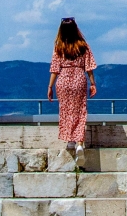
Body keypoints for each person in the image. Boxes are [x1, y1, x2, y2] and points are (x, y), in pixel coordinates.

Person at [47, 17, 97, 158]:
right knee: (80, 111)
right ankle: (79, 142)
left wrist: (50, 86)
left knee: (66, 110)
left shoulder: (59, 47)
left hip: (63, 80)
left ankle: (70, 140)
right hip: (79, 79)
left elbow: (55, 69)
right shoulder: (83, 46)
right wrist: (93, 83)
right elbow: (89, 68)